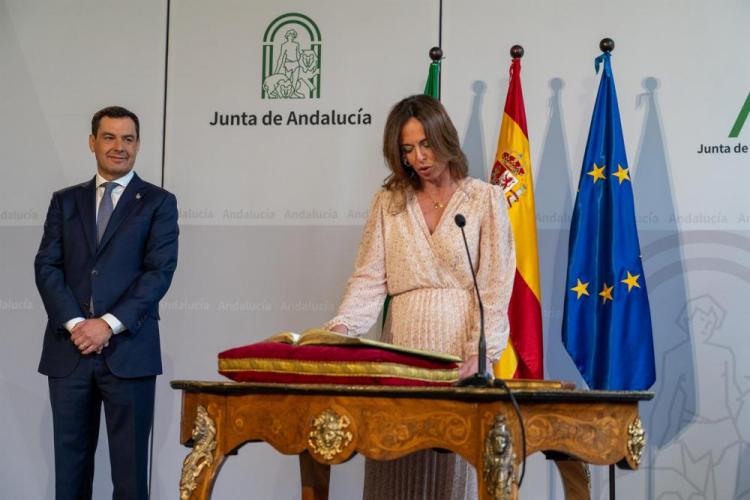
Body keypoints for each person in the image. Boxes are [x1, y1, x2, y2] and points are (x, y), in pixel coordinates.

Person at [325, 94, 515, 499]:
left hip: (459, 358)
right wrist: (340, 330)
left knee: (452, 478)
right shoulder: (389, 203)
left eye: (426, 144)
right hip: (401, 354)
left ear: (445, 138)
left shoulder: (484, 199)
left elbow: (495, 289)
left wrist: (478, 356)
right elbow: (369, 279)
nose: (419, 157)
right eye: (408, 149)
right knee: (395, 477)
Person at [35, 106, 179, 500]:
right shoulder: (64, 202)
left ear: (138, 145)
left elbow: (158, 273)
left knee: (131, 477)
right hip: (70, 352)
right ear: (92, 142)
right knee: (70, 474)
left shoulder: (158, 203)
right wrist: (75, 324)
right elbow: (47, 265)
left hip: (129, 352)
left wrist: (107, 324)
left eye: (128, 139)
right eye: (110, 137)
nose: (119, 147)